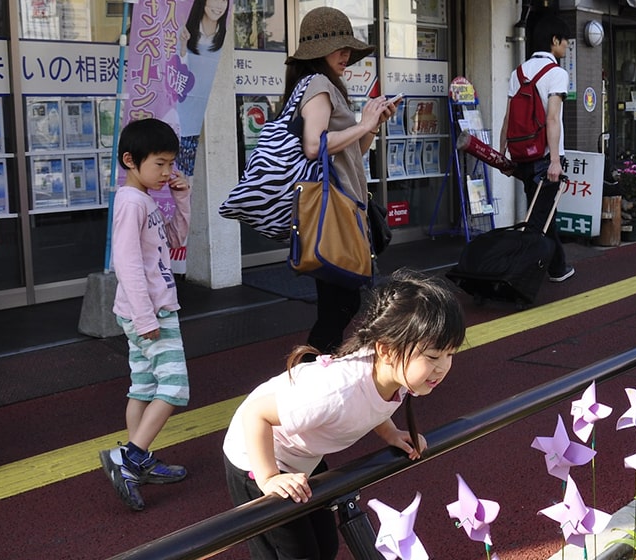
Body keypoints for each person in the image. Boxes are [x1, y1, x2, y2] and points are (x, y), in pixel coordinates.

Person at [222, 268, 465, 559]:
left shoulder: (394, 378)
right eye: (433, 356)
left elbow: (373, 402)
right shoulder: (334, 392)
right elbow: (255, 413)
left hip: (302, 454)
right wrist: (269, 478)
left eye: (450, 354)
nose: (443, 367)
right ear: (386, 351)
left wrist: (390, 432)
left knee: (326, 546)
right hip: (256, 457)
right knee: (293, 554)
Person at [285, 7, 400, 354]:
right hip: (333, 210)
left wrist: (372, 125)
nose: (346, 55)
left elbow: (349, 153)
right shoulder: (319, 84)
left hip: (341, 206)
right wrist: (363, 125)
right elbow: (312, 146)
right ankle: (307, 376)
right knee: (342, 302)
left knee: (339, 301)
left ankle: (315, 373)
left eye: (348, 48)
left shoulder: (325, 86)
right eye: (339, 47)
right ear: (318, 50)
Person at [97, 118, 193, 511]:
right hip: (151, 312)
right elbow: (128, 264)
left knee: (143, 387)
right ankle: (131, 457)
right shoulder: (131, 202)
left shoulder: (145, 200)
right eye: (160, 164)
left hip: (145, 311)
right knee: (174, 389)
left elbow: (176, 240)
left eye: (171, 163)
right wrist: (146, 318)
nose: (167, 172)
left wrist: (182, 198)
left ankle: (137, 460)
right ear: (130, 161)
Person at [499, 10, 575, 283]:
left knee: (542, 211)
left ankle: (558, 267)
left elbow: (509, 117)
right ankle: (517, 276)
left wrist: (502, 154)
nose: (567, 46)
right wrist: (555, 160)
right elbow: (552, 118)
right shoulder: (556, 74)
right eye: (565, 41)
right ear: (554, 40)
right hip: (545, 157)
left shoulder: (517, 73)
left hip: (521, 155)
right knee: (537, 219)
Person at [174, 0, 230, 174]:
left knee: (189, 172)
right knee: (178, 169)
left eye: (223, 1)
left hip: (208, 113)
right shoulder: (186, 31)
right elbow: (179, 68)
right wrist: (183, 45)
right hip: (182, 112)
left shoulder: (224, 34)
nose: (218, 5)